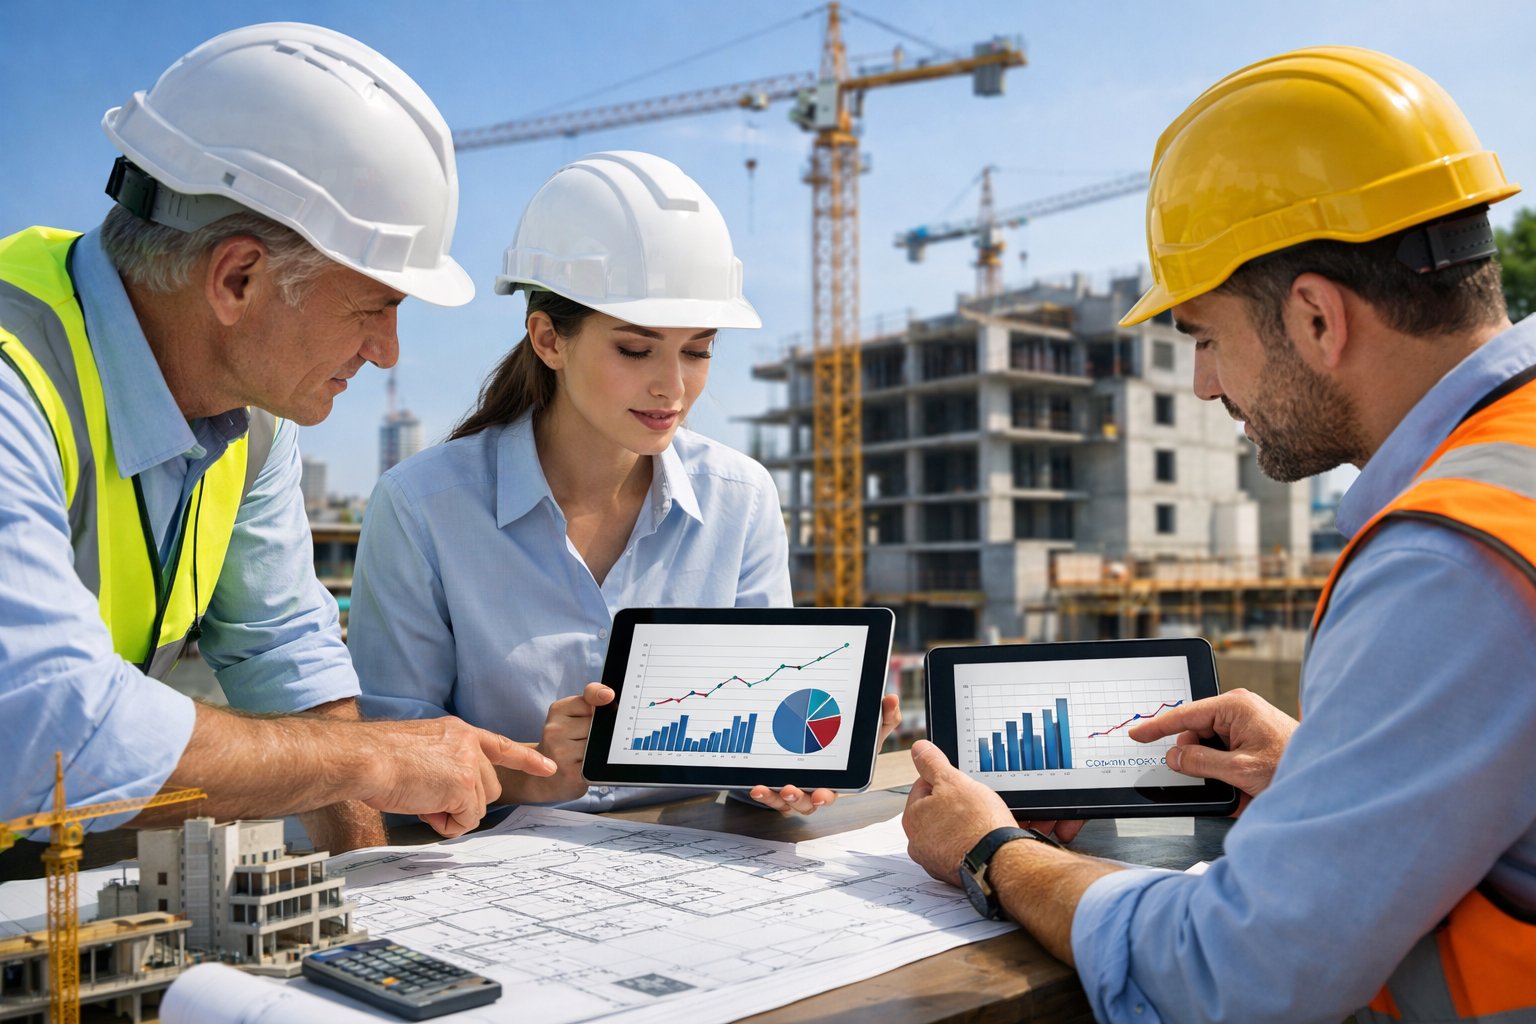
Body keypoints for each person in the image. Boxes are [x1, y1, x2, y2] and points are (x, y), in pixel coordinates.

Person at [903, 46, 1536, 1023]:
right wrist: (1331, 770)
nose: (1203, 384)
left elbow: (1232, 978)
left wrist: (993, 853)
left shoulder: (1447, 561)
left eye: (1204, 336)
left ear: (1318, 318)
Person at [0, 22, 557, 864]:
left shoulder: (253, 412)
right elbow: (51, 732)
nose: (388, 352)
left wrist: (367, 888)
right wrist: (377, 756)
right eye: (374, 308)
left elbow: (284, 651)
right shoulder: (15, 381)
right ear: (238, 279)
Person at [349, 151, 898, 816]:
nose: (674, 385)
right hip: (508, 880)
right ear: (549, 340)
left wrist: (790, 772)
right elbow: (387, 770)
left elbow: (752, 749)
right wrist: (533, 777)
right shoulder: (422, 510)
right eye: (636, 350)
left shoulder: (742, 498)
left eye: (698, 350)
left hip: (705, 868)